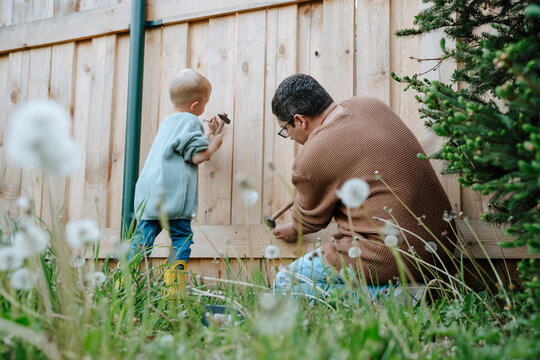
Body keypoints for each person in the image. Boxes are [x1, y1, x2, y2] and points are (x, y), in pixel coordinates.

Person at [271, 74, 454, 300]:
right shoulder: (370, 104)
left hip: (394, 252)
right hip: (443, 246)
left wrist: (295, 226)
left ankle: (401, 296)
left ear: (299, 120)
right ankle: (419, 287)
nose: (288, 137)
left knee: (285, 283)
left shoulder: (312, 156)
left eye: (285, 129)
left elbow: (311, 220)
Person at [128, 69, 223, 294]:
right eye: (205, 103)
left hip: (150, 197)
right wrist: (214, 143)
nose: (204, 108)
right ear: (195, 105)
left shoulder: (168, 123)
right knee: (181, 238)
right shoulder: (191, 121)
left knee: (141, 243)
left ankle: (124, 286)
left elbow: (181, 147)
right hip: (173, 198)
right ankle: (173, 290)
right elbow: (196, 155)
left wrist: (207, 132)